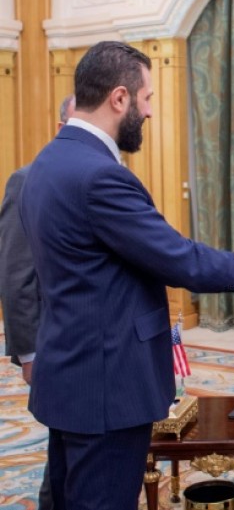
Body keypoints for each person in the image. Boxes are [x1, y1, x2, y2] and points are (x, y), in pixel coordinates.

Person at [19, 41, 234, 510]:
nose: (149, 113)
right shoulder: (100, 175)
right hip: (107, 384)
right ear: (120, 98)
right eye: (147, 99)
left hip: (69, 374)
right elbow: (171, 254)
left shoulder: (47, 161)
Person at [0, 93, 74, 510]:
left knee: (69, 455)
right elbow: (14, 272)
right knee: (63, 455)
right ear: (62, 128)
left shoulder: (107, 174)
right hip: (52, 346)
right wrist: (28, 352)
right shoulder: (27, 180)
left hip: (88, 350)